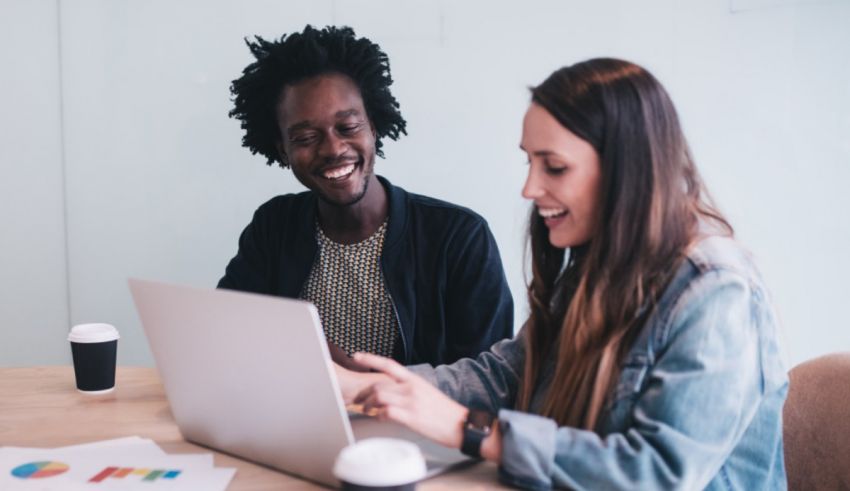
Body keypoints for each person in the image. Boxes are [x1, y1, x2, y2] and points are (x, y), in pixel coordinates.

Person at [335, 58, 789, 490]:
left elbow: (657, 471)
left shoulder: (717, 292)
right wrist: (370, 387)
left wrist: (470, 431)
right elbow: (507, 376)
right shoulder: (598, 265)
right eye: (529, 162)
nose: (530, 188)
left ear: (626, 168)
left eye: (554, 167)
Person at [218, 25, 513, 369]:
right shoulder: (274, 225)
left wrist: (351, 375)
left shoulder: (459, 236)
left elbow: (487, 380)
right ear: (282, 150)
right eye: (306, 137)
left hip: (411, 423)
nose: (333, 149)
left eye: (348, 128)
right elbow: (227, 330)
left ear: (374, 127)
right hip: (293, 419)